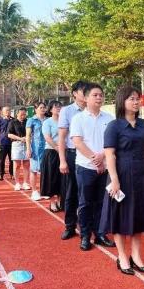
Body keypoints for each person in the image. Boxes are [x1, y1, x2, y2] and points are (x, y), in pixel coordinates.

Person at [101, 84, 144, 275]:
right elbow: (109, 154)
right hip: (122, 175)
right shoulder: (114, 126)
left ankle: (136, 256)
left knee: (139, 215)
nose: (136, 102)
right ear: (122, 101)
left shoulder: (143, 124)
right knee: (120, 216)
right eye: (131, 98)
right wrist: (114, 180)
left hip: (141, 176)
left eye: (137, 98)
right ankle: (122, 257)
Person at [71, 84, 114, 252]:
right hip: (85, 167)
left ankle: (100, 234)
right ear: (86, 98)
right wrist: (96, 160)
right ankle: (85, 235)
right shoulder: (78, 119)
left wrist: (102, 157)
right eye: (95, 95)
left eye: (101, 95)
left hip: (106, 166)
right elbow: (78, 142)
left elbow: (112, 142)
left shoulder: (109, 118)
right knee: (85, 203)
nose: (99, 97)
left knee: (102, 203)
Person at [58, 80, 88, 239]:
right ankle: (70, 225)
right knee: (72, 191)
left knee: (88, 191)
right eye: (84, 91)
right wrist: (62, 160)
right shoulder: (67, 111)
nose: (87, 94)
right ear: (75, 93)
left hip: (89, 155)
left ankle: (90, 226)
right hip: (72, 154)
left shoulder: (92, 109)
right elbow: (62, 137)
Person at [40, 100, 62, 211]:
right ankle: (52, 202)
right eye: (56, 107)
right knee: (51, 178)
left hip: (63, 152)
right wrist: (57, 148)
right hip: (51, 152)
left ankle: (60, 201)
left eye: (60, 106)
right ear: (51, 109)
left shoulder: (64, 121)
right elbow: (48, 138)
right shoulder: (47, 122)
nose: (59, 108)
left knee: (62, 178)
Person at [26, 101, 47, 202]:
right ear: (35, 109)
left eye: (44, 107)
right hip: (36, 148)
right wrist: (28, 149)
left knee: (45, 170)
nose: (43, 109)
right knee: (34, 170)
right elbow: (28, 136)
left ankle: (44, 191)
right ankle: (34, 191)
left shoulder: (48, 119)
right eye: (40, 107)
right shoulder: (31, 120)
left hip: (47, 147)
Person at [8, 107, 30, 192]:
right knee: (17, 165)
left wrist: (27, 138)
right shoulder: (12, 122)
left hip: (27, 144)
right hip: (16, 144)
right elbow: (9, 134)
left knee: (26, 164)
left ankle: (25, 183)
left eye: (24, 114)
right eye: (21, 114)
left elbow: (31, 132)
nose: (23, 116)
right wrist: (20, 138)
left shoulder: (28, 121)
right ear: (17, 114)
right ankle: (17, 183)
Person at [0, 105, 14, 181]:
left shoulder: (13, 120)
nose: (8, 112)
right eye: (6, 111)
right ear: (3, 112)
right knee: (1, 160)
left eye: (9, 110)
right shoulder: (0, 121)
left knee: (12, 160)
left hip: (12, 144)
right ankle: (0, 174)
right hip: (2, 143)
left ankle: (12, 174)